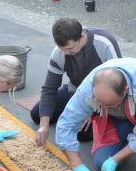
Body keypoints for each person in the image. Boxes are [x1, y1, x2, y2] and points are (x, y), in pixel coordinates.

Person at [31, 18, 122, 147]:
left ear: (82, 36)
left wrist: (93, 111)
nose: (66, 53)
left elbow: (118, 84)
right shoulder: (60, 52)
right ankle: (74, 114)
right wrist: (43, 127)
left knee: (82, 134)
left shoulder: (105, 43)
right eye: (62, 49)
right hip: (75, 92)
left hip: (102, 98)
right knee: (37, 114)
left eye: (70, 48)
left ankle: (99, 118)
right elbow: (49, 89)